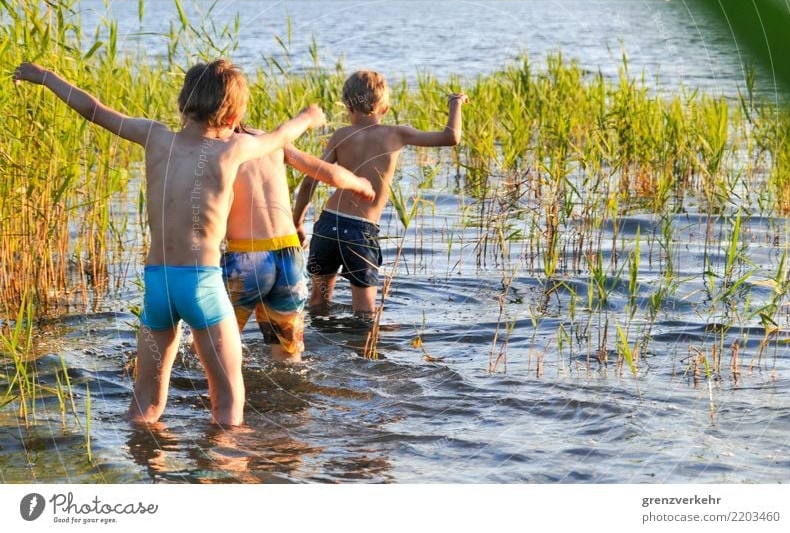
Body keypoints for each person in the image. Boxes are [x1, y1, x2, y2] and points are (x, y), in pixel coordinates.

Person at [13, 60, 325, 426]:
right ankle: (224, 475)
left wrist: (46, 77)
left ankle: (146, 465)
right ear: (233, 116)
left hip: (158, 284)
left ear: (184, 103)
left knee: (145, 401)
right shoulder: (234, 149)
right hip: (202, 284)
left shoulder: (154, 136)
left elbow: (94, 109)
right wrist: (308, 116)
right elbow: (279, 136)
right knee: (227, 401)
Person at [292, 70, 468, 319]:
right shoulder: (396, 134)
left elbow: (311, 179)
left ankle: (320, 349)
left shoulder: (341, 136)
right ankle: (361, 354)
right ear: (384, 108)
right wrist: (455, 103)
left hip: (328, 225)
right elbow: (451, 137)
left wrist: (297, 222)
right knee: (364, 314)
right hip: (360, 233)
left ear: (348, 106)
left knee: (318, 302)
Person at [223, 126, 375, 363]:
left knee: (217, 342)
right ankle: (291, 396)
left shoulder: (214, 147)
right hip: (289, 254)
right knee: (288, 350)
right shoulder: (269, 139)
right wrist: (358, 182)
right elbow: (326, 172)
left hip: (247, 257)